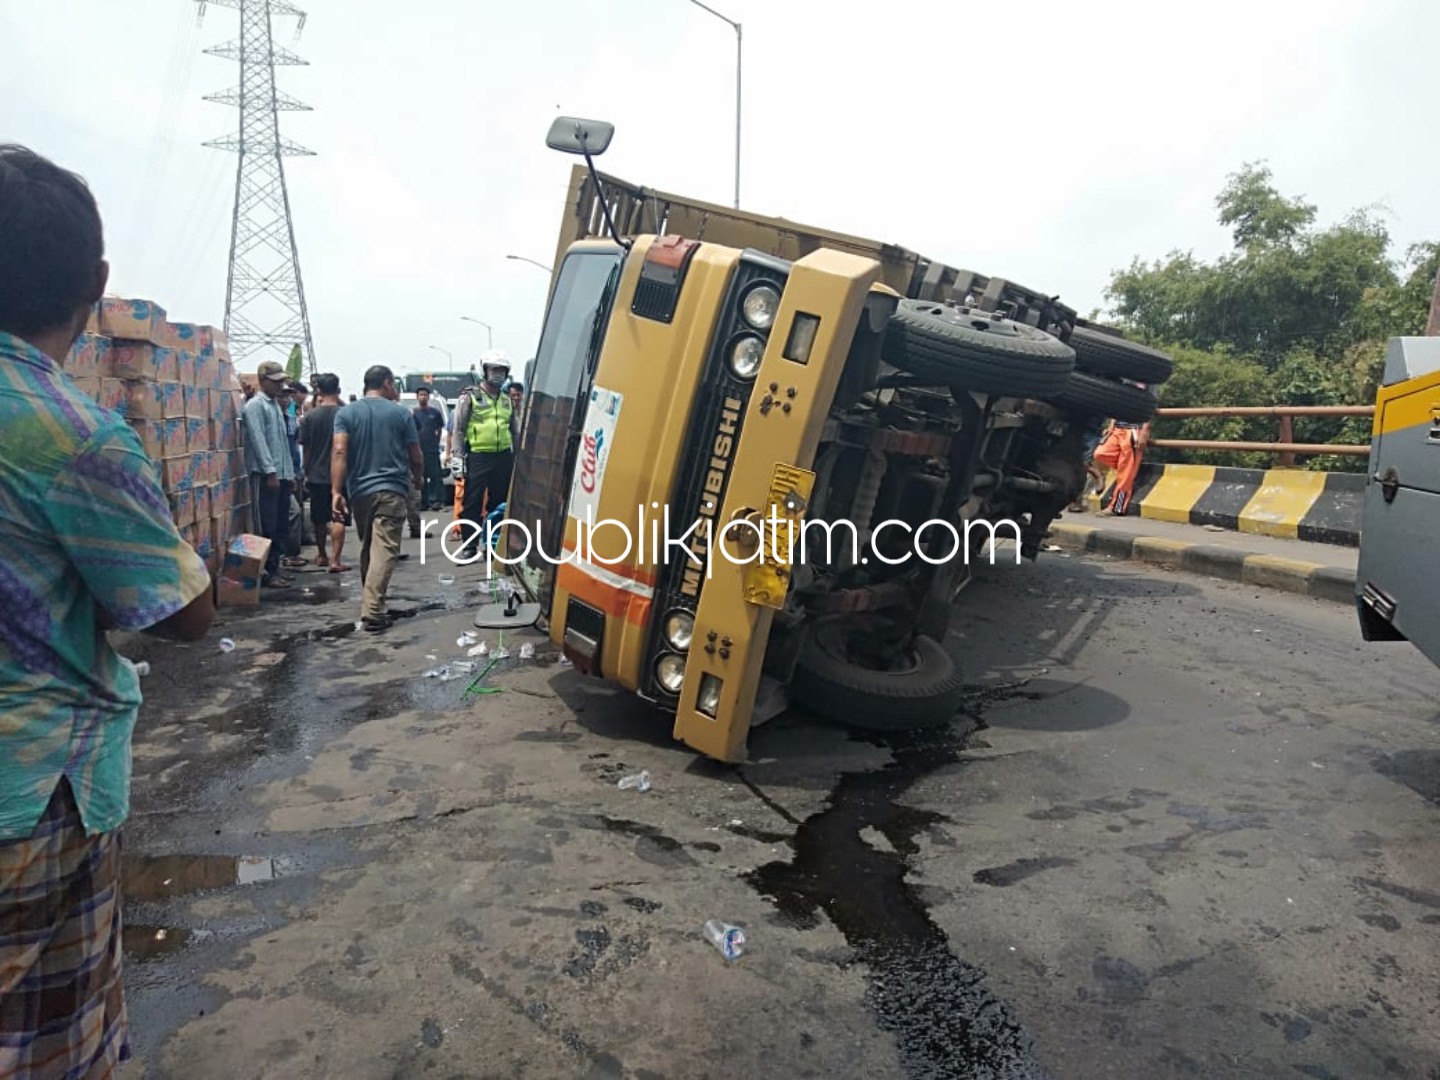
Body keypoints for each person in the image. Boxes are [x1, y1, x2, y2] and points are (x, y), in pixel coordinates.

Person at [0, 144, 216, 1080]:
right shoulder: (70, 432)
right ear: (96, 282)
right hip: (32, 796)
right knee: (50, 1046)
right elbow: (181, 613)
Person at [332, 365, 421, 632]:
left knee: (370, 546)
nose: (395, 389)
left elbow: (339, 452)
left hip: (359, 492)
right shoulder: (400, 414)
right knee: (384, 550)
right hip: (391, 489)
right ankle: (372, 610)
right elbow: (415, 454)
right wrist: (419, 478)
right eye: (393, 384)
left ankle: (374, 602)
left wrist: (336, 491)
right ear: (386, 383)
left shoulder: (346, 413)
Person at [450, 350, 520, 556]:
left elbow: (514, 430)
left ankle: (493, 544)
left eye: (502, 370)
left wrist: (518, 457)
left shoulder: (507, 400)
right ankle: (470, 546)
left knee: (499, 502)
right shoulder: (470, 397)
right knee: (472, 502)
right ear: (485, 371)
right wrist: (457, 456)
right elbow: (459, 430)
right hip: (479, 456)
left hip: (503, 457)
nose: (498, 374)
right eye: (494, 369)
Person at [242, 359, 297, 587]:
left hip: (282, 474)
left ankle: (276, 566)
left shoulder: (275, 405)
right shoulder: (255, 406)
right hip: (266, 476)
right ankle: (267, 571)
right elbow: (258, 441)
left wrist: (290, 473)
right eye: (275, 382)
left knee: (282, 523)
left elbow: (283, 443)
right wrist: (270, 472)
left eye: (281, 382)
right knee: (267, 524)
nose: (279, 386)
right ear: (263, 380)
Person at [297, 372, 351, 573]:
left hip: (317, 474)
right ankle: (336, 560)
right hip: (342, 474)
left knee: (319, 518)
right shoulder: (345, 414)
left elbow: (306, 449)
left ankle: (321, 554)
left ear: (318, 390)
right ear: (338, 390)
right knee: (338, 516)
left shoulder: (310, 416)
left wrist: (306, 471)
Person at [1093, 384, 1155, 516]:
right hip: (1117, 427)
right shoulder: (1124, 377)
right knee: (1100, 453)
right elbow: (1118, 402)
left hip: (1134, 428)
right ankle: (1127, 469)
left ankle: (1116, 507)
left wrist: (1144, 431)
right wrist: (1111, 425)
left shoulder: (1149, 381)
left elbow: (1150, 406)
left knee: (1126, 472)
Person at [411, 386, 447, 513]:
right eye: (420, 395)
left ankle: (438, 501)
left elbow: (439, 430)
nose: (423, 397)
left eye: (425, 395)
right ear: (417, 397)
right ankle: (423, 502)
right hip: (418, 450)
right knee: (421, 476)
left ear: (428, 397)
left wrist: (436, 444)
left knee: (436, 476)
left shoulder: (435, 413)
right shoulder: (413, 413)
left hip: (432, 449)